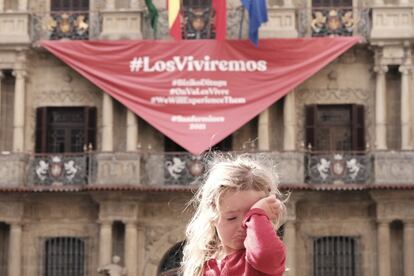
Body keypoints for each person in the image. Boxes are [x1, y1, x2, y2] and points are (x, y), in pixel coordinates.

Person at [182, 154, 286, 276]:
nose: (244, 225)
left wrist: (257, 214)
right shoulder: (206, 264)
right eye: (231, 218)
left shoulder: (260, 264)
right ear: (212, 217)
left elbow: (265, 254)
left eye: (251, 218)